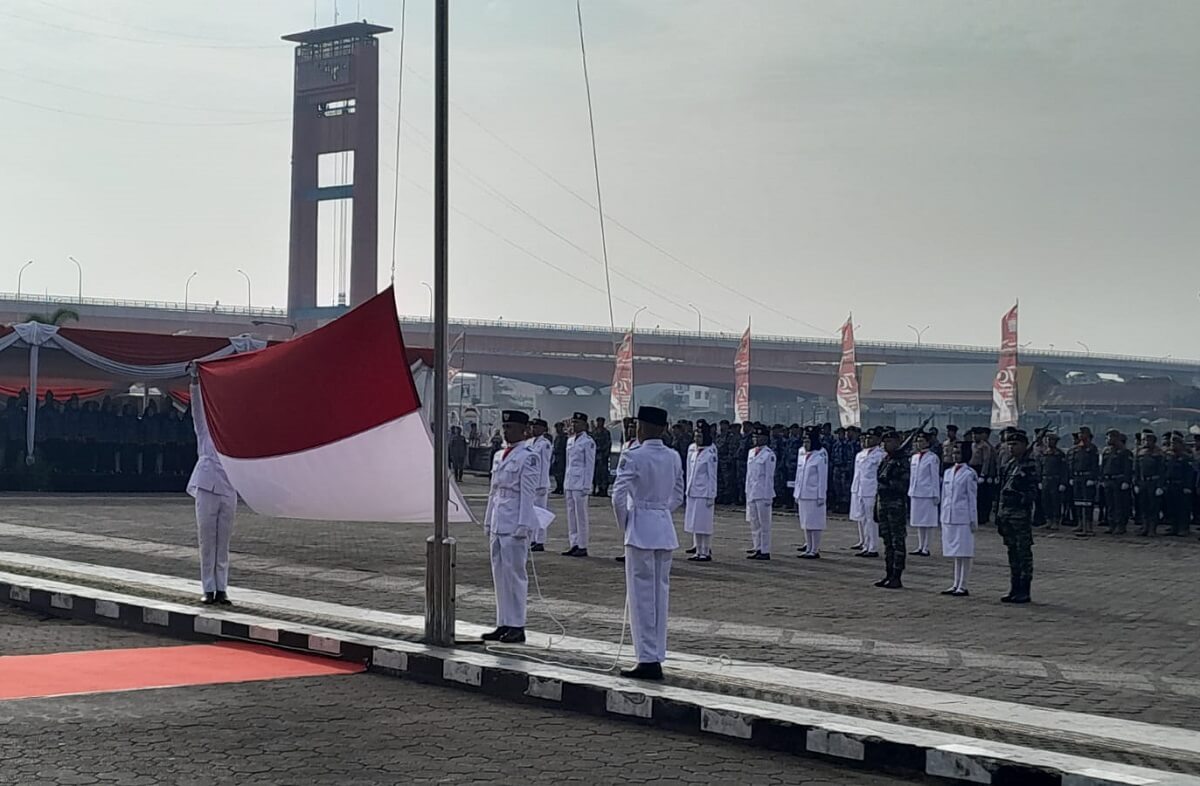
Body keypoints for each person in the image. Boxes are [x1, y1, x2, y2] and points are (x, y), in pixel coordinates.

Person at [612, 405, 684, 680]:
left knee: (641, 596)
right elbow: (678, 493)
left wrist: (626, 523)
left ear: (641, 428)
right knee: (659, 594)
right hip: (663, 528)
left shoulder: (634, 456)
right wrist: (661, 511)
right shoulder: (673, 456)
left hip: (640, 526)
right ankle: (657, 654)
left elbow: (618, 497)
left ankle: (646, 658)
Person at [481, 410, 541, 644]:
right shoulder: (499, 455)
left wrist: (524, 525)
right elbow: (493, 491)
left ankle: (517, 624)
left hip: (515, 520)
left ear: (524, 430)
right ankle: (503, 622)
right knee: (499, 574)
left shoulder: (529, 456)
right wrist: (488, 519)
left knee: (515, 575)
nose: (507, 431)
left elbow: (528, 495)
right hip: (499, 519)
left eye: (512, 428)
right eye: (505, 427)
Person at [187, 364, 238, 606]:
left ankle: (222, 588)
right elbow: (197, 411)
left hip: (228, 488)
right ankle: (208, 587)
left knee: (223, 542)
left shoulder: (233, 436)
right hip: (207, 486)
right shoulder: (205, 433)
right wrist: (195, 383)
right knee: (207, 540)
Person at [997, 430, 1037, 604]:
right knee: (1012, 551)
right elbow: (1000, 491)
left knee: (1023, 552)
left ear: (1024, 445)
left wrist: (1020, 491)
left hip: (1020, 514)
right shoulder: (1009, 464)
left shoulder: (1030, 465)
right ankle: (1014, 587)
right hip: (1007, 513)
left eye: (1015, 444)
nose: (1011, 447)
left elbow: (1033, 492)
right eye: (1009, 444)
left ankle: (1024, 589)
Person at [940, 441, 978, 597]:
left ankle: (963, 584)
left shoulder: (969, 474)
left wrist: (973, 519)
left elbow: (972, 498)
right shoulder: (948, 472)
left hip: (963, 517)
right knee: (955, 553)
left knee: (964, 552)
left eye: (959, 453)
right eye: (954, 453)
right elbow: (945, 496)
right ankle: (955, 583)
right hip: (950, 515)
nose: (955, 455)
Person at [874, 429, 910, 589]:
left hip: (896, 506)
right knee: (887, 541)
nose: (886, 444)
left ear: (897, 442)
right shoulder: (886, 460)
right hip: (883, 504)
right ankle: (888, 573)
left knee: (897, 541)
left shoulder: (902, 461)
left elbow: (903, 486)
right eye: (885, 442)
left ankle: (897, 575)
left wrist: (888, 482)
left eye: (889, 442)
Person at [562, 412, 596, 557]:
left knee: (581, 515)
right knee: (571, 514)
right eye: (573, 422)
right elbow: (568, 463)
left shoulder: (588, 442)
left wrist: (587, 485)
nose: (574, 425)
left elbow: (590, 465)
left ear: (584, 425)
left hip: (581, 482)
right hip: (570, 481)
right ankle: (573, 543)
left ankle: (582, 545)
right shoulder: (570, 441)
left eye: (577, 423)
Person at [684, 423, 718, 561]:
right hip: (694, 491)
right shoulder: (694, 452)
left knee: (704, 524)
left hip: (704, 493)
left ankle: (705, 550)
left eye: (700, 436)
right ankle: (698, 550)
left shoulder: (710, 454)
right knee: (695, 523)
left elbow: (712, 476)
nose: (697, 439)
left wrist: (712, 494)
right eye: (696, 436)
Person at [794, 426, 829, 559]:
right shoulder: (801, 452)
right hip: (803, 493)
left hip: (814, 494)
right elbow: (799, 474)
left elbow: (822, 476)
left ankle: (815, 549)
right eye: (804, 441)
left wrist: (821, 495)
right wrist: (796, 492)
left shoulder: (820, 454)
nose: (805, 444)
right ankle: (808, 546)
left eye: (808, 441)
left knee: (815, 523)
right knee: (805, 523)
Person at [850, 427, 885, 557]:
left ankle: (873, 547)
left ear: (877, 439)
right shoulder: (861, 454)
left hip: (872, 490)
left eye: (871, 438)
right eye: (866, 438)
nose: (867, 440)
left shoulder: (881, 455)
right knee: (863, 519)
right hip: (860, 489)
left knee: (872, 520)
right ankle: (865, 544)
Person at [744, 425, 776, 560]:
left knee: (764, 524)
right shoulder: (751, 452)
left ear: (765, 438)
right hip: (752, 492)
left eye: (759, 437)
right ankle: (757, 547)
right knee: (754, 522)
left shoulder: (769, 455)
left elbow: (769, 477)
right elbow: (749, 475)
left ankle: (765, 550)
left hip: (763, 493)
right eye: (754, 436)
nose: (756, 439)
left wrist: (769, 496)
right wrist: (747, 491)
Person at [908, 431, 941, 557]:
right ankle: (920, 545)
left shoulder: (932, 458)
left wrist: (936, 494)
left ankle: (926, 547)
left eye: (922, 441)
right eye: (917, 441)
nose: (919, 443)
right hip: (916, 492)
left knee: (928, 522)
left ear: (927, 442)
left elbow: (934, 477)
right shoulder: (915, 457)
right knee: (918, 522)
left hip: (928, 493)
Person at [1100, 429, 1134, 535]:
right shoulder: (1106, 451)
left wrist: (1126, 481)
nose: (1108, 440)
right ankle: (1112, 524)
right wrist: (1102, 479)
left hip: (1118, 481)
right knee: (1110, 505)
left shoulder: (1125, 452)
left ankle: (1120, 525)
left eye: (1110, 437)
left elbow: (1127, 468)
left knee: (1119, 504)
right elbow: (1103, 467)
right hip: (1108, 480)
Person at [1068, 426, 1100, 536]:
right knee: (1078, 501)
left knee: (1087, 502)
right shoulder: (1076, 449)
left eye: (1083, 433)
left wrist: (1092, 478)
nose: (1081, 435)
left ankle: (1088, 525)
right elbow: (1072, 464)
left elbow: (1094, 465)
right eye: (1080, 434)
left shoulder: (1092, 449)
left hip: (1087, 478)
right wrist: (1071, 477)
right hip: (1077, 478)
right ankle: (1080, 523)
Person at [527, 418, 553, 551]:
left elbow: (544, 465)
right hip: (531, 482)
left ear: (543, 429)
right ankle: (533, 538)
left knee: (541, 512)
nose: (533, 429)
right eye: (532, 427)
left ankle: (540, 540)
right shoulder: (530, 442)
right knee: (532, 512)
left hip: (540, 483)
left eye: (536, 427)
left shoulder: (545, 444)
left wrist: (542, 483)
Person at [1134, 430, 1166, 536]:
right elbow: (1137, 470)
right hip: (1143, 482)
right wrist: (1136, 483)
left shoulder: (1158, 453)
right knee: (1143, 506)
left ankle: (1152, 528)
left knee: (1153, 507)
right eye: (1144, 440)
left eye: (1149, 440)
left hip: (1154, 482)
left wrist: (1160, 486)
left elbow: (1162, 471)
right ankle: (1145, 526)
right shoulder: (1140, 452)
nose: (1146, 442)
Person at [1163, 434, 1195, 536]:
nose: (1173, 445)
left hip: (1181, 485)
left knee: (1183, 508)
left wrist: (1187, 486)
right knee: (1172, 507)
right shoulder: (1168, 456)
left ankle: (1184, 528)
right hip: (1170, 484)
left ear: (1181, 444)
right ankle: (1174, 526)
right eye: (1171, 443)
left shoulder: (1186, 458)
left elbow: (1190, 473)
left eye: (1175, 443)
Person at [1037, 432, 1068, 531]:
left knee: (1055, 501)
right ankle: (1048, 520)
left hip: (1055, 480)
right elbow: (1040, 468)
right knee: (1045, 501)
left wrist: (1063, 482)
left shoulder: (1059, 454)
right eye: (1047, 440)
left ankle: (1056, 521)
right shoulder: (1043, 453)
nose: (1049, 442)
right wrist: (1039, 481)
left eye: (1051, 440)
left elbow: (1064, 469)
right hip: (1045, 479)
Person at [969, 427, 996, 524]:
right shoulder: (973, 445)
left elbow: (986, 460)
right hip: (972, 468)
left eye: (976, 434)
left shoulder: (985, 446)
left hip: (980, 469)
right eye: (973, 434)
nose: (974, 436)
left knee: (982, 496)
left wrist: (983, 474)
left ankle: (983, 517)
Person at [592, 416, 613, 497]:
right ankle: (595, 488)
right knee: (595, 474)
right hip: (595, 455)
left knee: (603, 474)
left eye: (601, 422)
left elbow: (608, 444)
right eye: (599, 421)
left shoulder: (606, 432)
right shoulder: (594, 432)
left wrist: (605, 453)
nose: (600, 423)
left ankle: (603, 490)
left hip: (603, 456)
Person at [550, 421, 568, 494]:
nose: (558, 429)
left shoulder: (565, 437)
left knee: (561, 473)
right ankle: (558, 486)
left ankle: (562, 487)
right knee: (556, 473)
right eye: (557, 428)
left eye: (559, 427)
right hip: (556, 457)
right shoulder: (557, 437)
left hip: (562, 457)